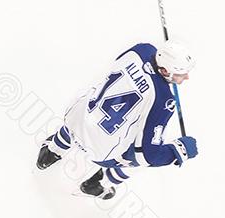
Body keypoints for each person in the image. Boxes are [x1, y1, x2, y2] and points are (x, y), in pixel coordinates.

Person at [36, 41, 198, 199]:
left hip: (74, 118)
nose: (186, 77)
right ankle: (99, 183)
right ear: (164, 71)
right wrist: (178, 151)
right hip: (100, 152)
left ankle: (51, 151)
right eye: (181, 73)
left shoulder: (140, 51)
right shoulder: (163, 100)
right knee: (137, 159)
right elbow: (148, 156)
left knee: (86, 112)